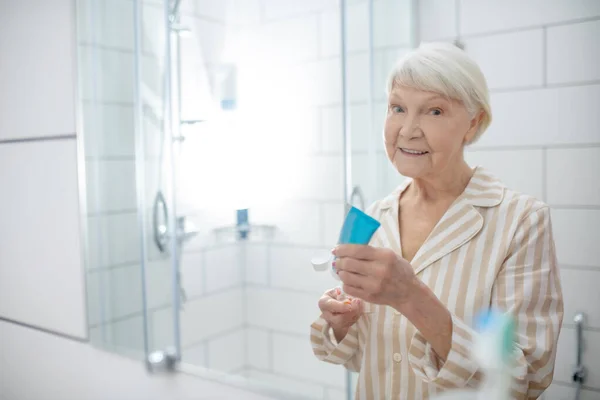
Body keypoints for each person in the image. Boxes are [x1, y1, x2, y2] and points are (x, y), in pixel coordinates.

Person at [310, 42, 564, 400]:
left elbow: (527, 378)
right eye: (397, 107)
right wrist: (342, 324)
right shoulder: (375, 216)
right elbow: (368, 358)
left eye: (434, 111)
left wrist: (412, 297)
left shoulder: (521, 222)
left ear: (473, 123)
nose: (408, 130)